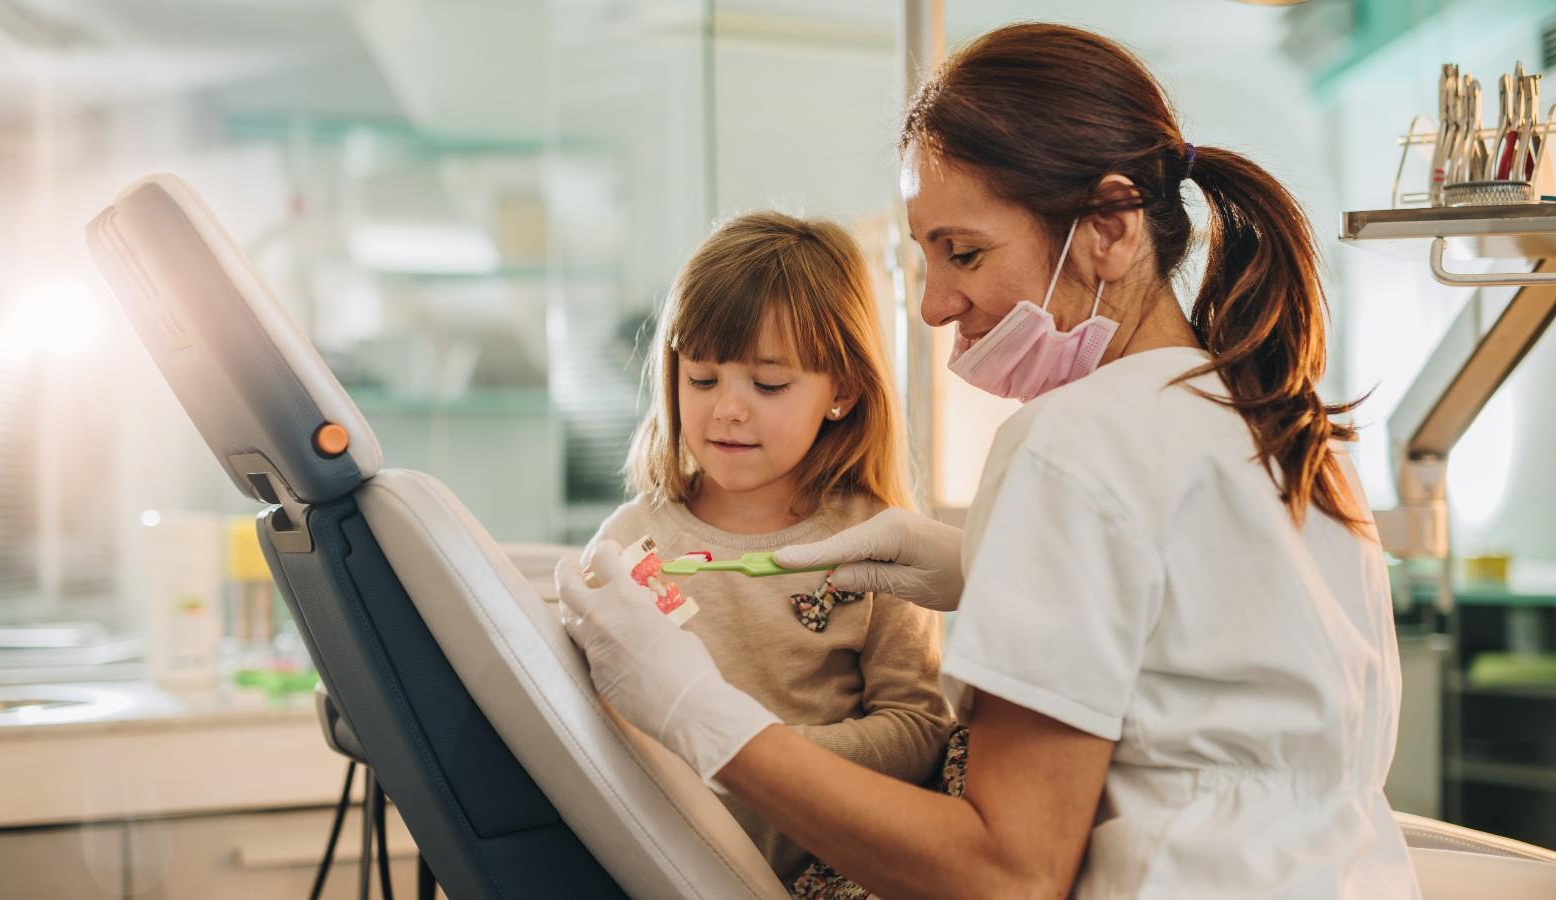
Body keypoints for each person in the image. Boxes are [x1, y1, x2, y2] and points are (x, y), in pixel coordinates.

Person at [561, 23, 1419, 899]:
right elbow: (1215, 671)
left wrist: (691, 710)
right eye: (923, 258)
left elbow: (1009, 873)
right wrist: (982, 570)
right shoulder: (1283, 424)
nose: (934, 306)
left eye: (963, 252)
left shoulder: (1073, 443)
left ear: (1111, 230)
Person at [582, 211, 955, 885]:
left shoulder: (880, 547)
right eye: (702, 378)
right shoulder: (627, 543)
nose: (728, 409)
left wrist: (763, 755)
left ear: (841, 391)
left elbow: (918, 729)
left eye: (769, 384)